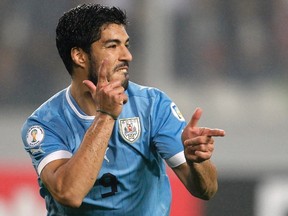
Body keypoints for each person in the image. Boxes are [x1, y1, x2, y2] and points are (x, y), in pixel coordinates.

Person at [21, 3, 225, 215]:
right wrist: (106, 115)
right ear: (79, 56)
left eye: (126, 44)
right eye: (112, 46)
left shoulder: (152, 106)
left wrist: (198, 162)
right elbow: (69, 193)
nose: (127, 55)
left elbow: (207, 190)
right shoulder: (44, 124)